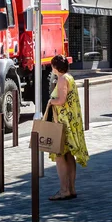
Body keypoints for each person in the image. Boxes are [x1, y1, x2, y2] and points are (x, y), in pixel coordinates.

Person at [46, 55, 89, 201]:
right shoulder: (69, 77)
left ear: (55, 67)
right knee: (69, 155)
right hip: (71, 123)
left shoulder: (62, 79)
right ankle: (71, 189)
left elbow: (61, 100)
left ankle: (64, 190)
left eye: (52, 66)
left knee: (60, 156)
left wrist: (52, 101)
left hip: (63, 124)